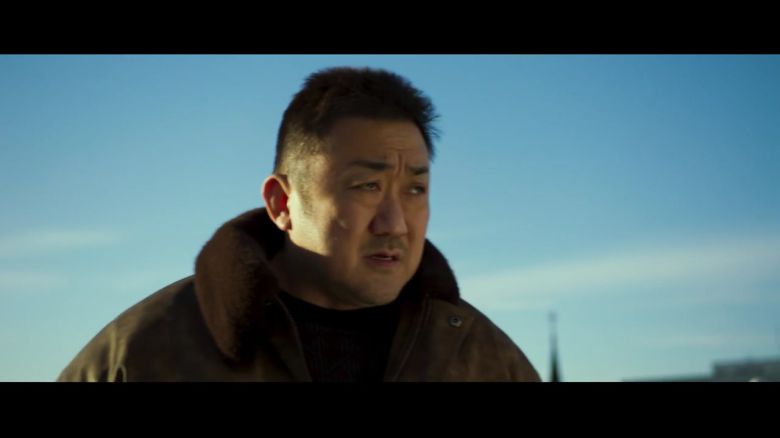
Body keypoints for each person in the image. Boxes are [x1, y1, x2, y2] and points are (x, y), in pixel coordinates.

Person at [58, 66, 541, 382]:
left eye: (415, 189)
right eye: (366, 186)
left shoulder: (486, 361)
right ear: (281, 202)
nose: (395, 223)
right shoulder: (144, 353)